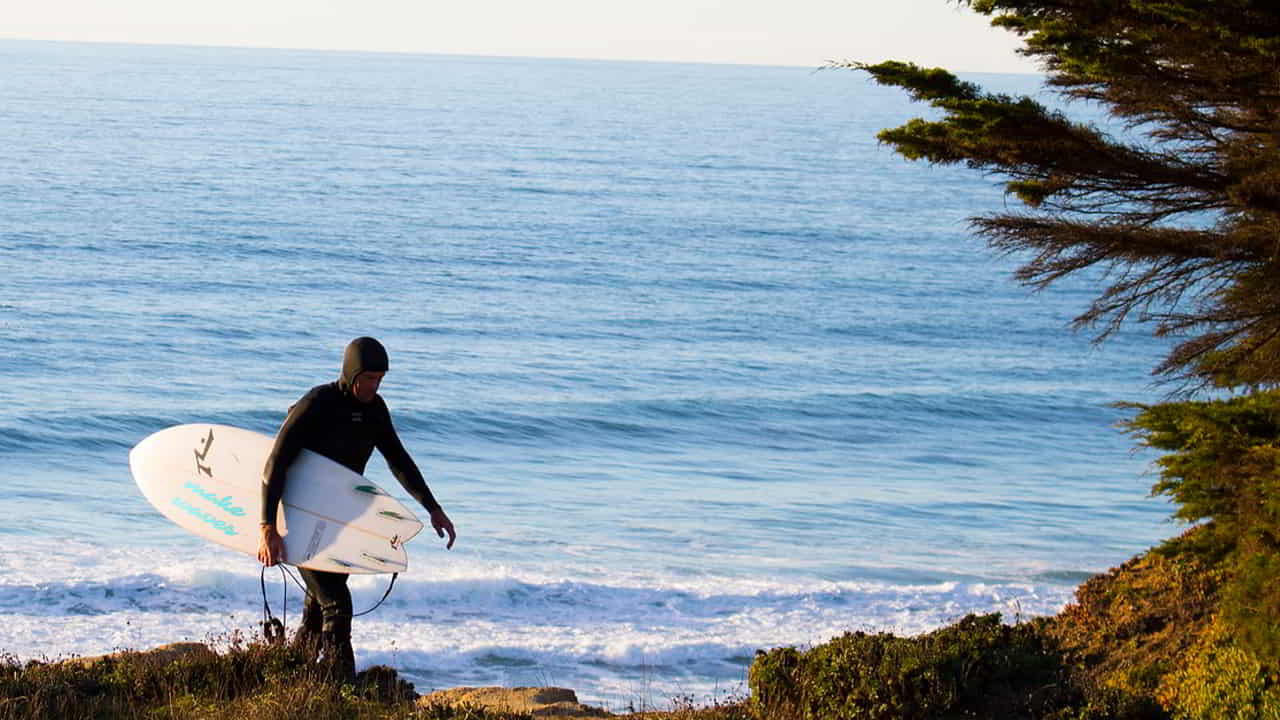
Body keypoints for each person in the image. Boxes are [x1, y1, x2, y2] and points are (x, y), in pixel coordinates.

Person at [257, 336, 456, 678]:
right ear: (351, 374)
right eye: (368, 378)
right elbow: (275, 464)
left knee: (318, 608)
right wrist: (267, 527)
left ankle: (294, 677)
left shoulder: (375, 410)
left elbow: (399, 461)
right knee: (337, 603)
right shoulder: (316, 403)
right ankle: (341, 685)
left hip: (339, 519)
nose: (374, 386)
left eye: (380, 379)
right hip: (299, 516)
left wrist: (432, 508)